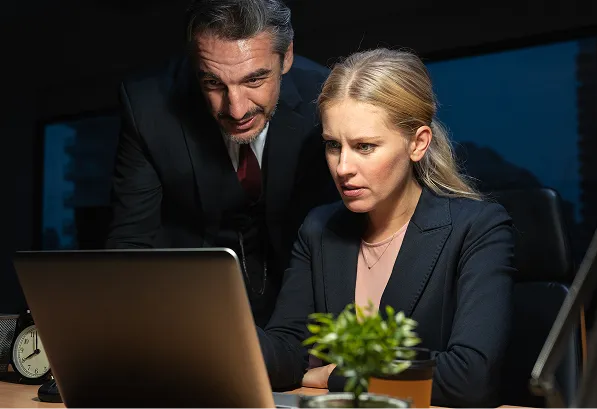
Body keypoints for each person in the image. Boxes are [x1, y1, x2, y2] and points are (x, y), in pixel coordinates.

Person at [257, 48, 516, 409]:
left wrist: (336, 374)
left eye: (365, 147)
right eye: (333, 146)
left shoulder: (478, 229)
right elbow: (287, 353)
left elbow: (471, 377)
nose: (343, 167)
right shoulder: (318, 229)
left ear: (417, 143)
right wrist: (221, 331)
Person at [105, 0, 338, 328]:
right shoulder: (148, 106)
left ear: (286, 57)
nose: (237, 109)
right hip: (184, 306)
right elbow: (130, 242)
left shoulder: (327, 96)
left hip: (302, 303)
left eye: (254, 80)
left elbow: (344, 231)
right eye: (214, 84)